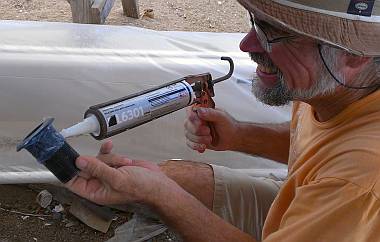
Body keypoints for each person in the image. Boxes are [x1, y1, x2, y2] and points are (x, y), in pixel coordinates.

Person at [66, 1, 380, 241]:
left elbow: (345, 172)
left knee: (162, 189)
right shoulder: (336, 85)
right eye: (257, 22)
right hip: (311, 201)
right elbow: (319, 144)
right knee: (174, 177)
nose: (247, 44)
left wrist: (160, 196)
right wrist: (239, 135)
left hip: (339, 210)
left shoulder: (360, 181)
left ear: (353, 54)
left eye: (274, 32)